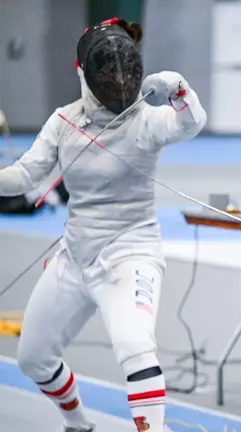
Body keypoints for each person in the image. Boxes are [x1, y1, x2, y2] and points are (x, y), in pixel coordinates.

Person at [0, 18, 206, 432]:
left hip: (131, 255)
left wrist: (181, 91)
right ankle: (78, 424)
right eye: (107, 71)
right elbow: (25, 176)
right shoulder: (63, 122)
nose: (117, 80)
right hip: (74, 257)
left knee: (135, 347)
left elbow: (190, 123)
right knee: (33, 358)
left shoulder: (145, 120)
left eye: (122, 70)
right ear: (84, 73)